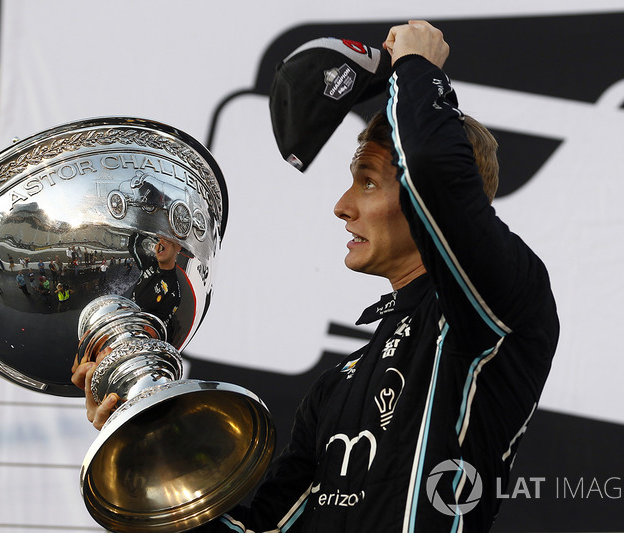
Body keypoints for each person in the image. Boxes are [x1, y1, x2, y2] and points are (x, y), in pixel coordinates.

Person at [71, 21, 558, 532]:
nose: (342, 207)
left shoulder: (504, 304)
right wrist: (144, 438)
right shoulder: (335, 388)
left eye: (367, 182)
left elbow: (439, 174)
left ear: (421, 197)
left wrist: (417, 69)